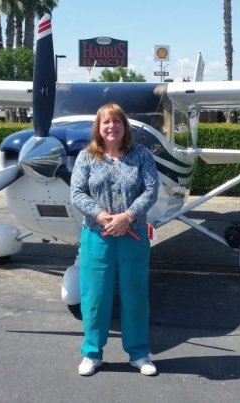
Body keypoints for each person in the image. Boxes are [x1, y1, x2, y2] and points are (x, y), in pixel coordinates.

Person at [70, 103, 159, 376]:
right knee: (95, 297)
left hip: (133, 234)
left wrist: (128, 216)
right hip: (98, 236)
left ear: (124, 126)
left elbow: (151, 189)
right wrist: (101, 216)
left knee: (135, 294)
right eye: (106, 122)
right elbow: (77, 192)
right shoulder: (86, 157)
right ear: (98, 127)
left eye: (117, 122)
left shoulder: (141, 155)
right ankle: (92, 353)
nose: (112, 127)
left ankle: (139, 353)